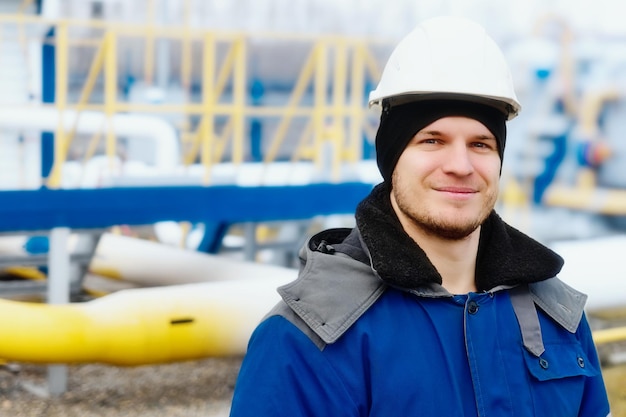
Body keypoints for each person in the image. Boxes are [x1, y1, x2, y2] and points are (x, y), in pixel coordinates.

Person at [229, 16, 611, 417]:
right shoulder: (308, 339)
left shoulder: (559, 316)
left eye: (481, 144)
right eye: (432, 140)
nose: (461, 165)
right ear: (391, 158)